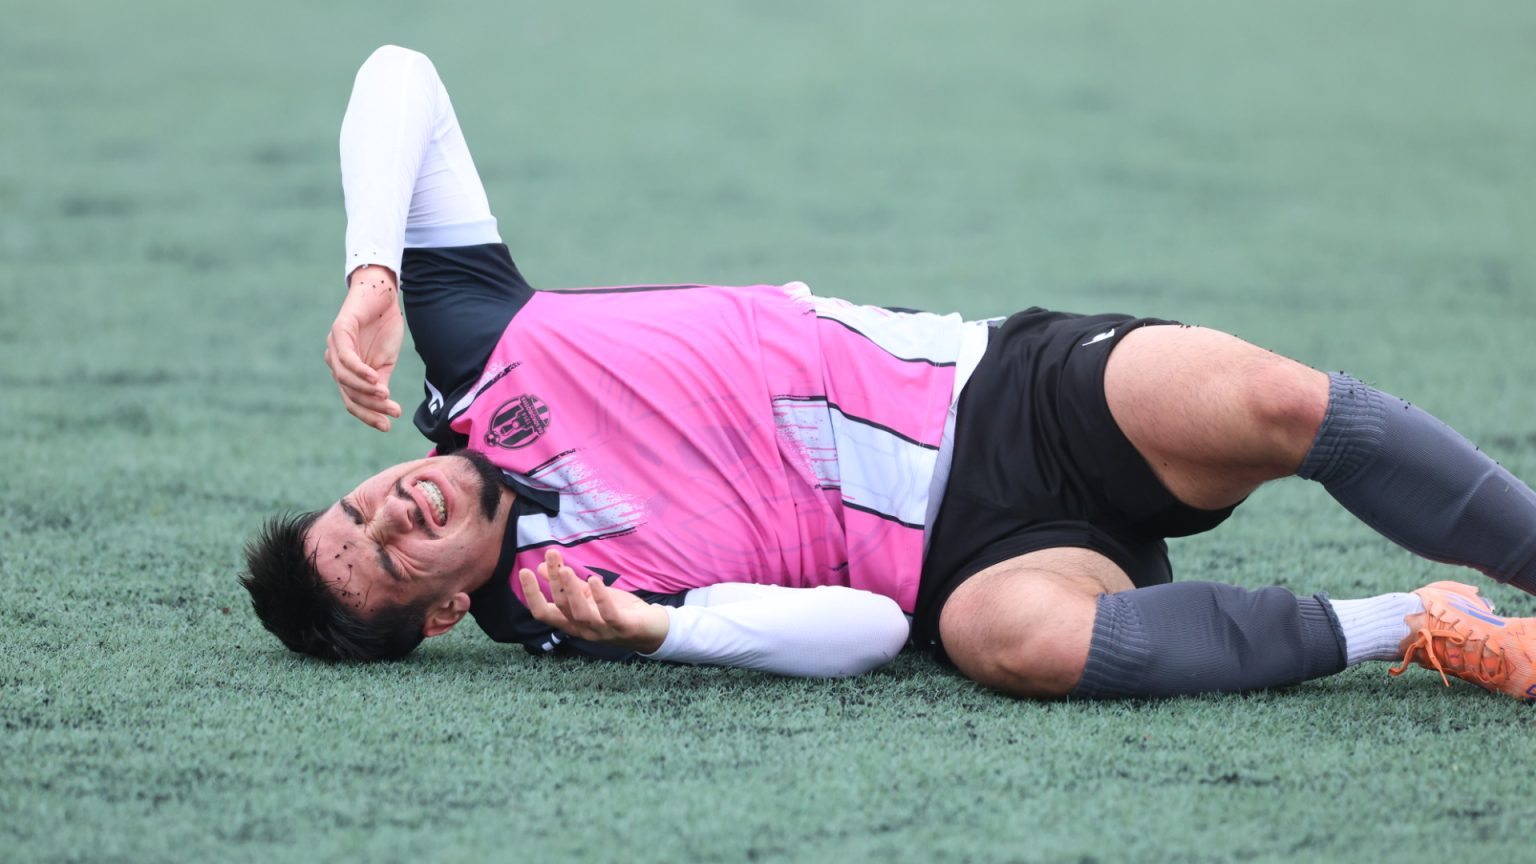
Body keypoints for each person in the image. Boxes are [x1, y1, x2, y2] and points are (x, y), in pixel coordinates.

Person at [242, 45, 1536, 702]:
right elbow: (868, 630)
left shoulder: (473, 343)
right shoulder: (569, 609)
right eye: (393, 556)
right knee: (1004, 645)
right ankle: (1419, 623)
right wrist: (662, 631)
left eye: (361, 505)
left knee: (1279, 405)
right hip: (968, 564)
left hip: (1007, 393)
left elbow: (400, 75)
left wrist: (372, 269)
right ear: (443, 614)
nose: (395, 509)